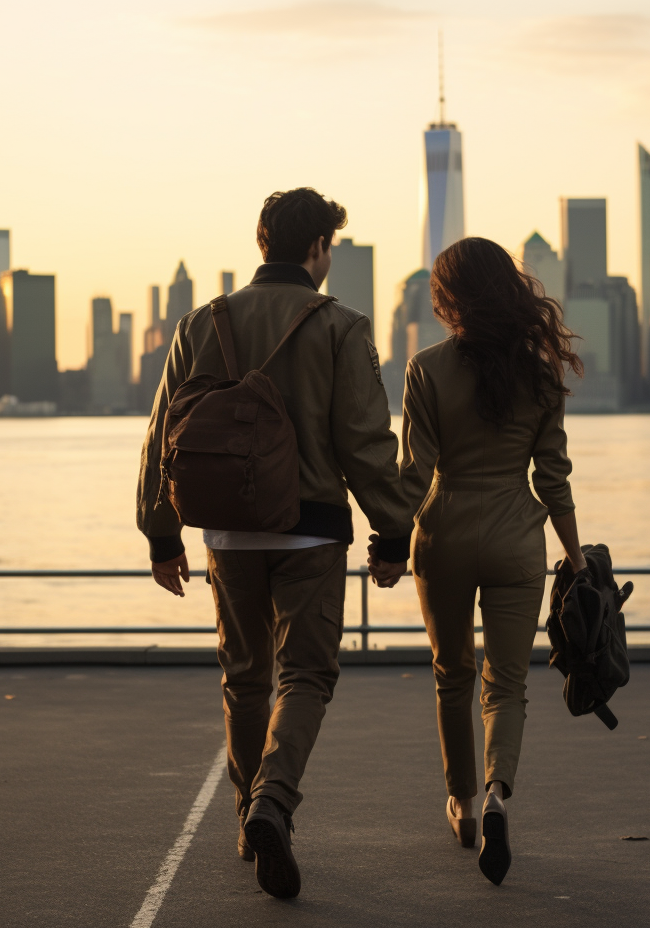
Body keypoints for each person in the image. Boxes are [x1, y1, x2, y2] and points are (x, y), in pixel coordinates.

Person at [137, 188, 413, 900]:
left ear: (262, 241)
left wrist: (160, 531)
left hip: (225, 530)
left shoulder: (204, 321)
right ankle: (273, 803)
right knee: (307, 675)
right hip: (312, 527)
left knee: (244, 675)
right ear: (319, 249)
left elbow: (162, 430)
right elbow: (364, 442)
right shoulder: (342, 327)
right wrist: (394, 531)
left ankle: (245, 819)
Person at [372, 236, 585, 886]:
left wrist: (387, 543)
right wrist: (575, 556)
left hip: (446, 537)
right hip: (519, 538)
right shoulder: (541, 372)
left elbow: (416, 474)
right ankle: (498, 792)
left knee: (452, 675)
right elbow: (553, 478)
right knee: (508, 684)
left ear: (446, 299)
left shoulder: (426, 368)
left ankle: (461, 806)